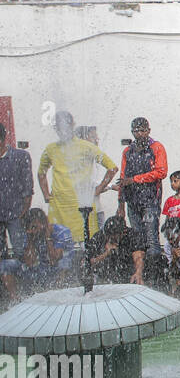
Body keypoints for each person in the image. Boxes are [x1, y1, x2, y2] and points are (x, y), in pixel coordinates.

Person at [37, 111, 117, 237]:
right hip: (59, 208)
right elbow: (41, 173)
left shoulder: (86, 147)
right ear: (55, 128)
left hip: (82, 207)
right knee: (60, 247)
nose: (62, 131)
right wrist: (46, 194)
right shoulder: (50, 149)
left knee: (86, 245)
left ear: (72, 125)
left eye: (65, 127)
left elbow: (112, 168)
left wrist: (99, 188)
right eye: (58, 127)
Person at [114, 117, 167, 257]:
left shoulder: (156, 147)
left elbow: (161, 172)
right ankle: (141, 273)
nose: (140, 134)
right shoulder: (127, 151)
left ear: (149, 130)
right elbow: (123, 179)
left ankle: (154, 273)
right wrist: (121, 204)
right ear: (132, 132)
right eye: (136, 131)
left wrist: (136, 179)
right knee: (137, 239)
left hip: (150, 201)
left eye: (143, 130)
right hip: (132, 202)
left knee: (151, 239)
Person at [0, 208, 75, 296]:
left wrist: (48, 238)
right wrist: (30, 240)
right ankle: (15, 299)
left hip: (58, 268)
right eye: (30, 228)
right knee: (5, 265)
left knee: (64, 263)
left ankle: (58, 294)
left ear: (44, 222)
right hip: (41, 269)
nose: (33, 231)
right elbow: (30, 263)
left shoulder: (62, 232)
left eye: (35, 226)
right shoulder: (30, 234)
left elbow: (54, 260)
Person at [85, 214, 156, 287]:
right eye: (109, 235)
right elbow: (87, 262)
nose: (110, 237)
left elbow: (138, 256)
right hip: (104, 274)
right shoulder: (99, 237)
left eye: (114, 235)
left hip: (127, 270)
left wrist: (138, 272)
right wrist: (106, 253)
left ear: (123, 232)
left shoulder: (132, 236)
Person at [0, 122, 33, 260]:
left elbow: (28, 187)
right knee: (1, 256)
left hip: (16, 214)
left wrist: (23, 212)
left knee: (21, 252)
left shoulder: (20, 156)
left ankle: (26, 279)